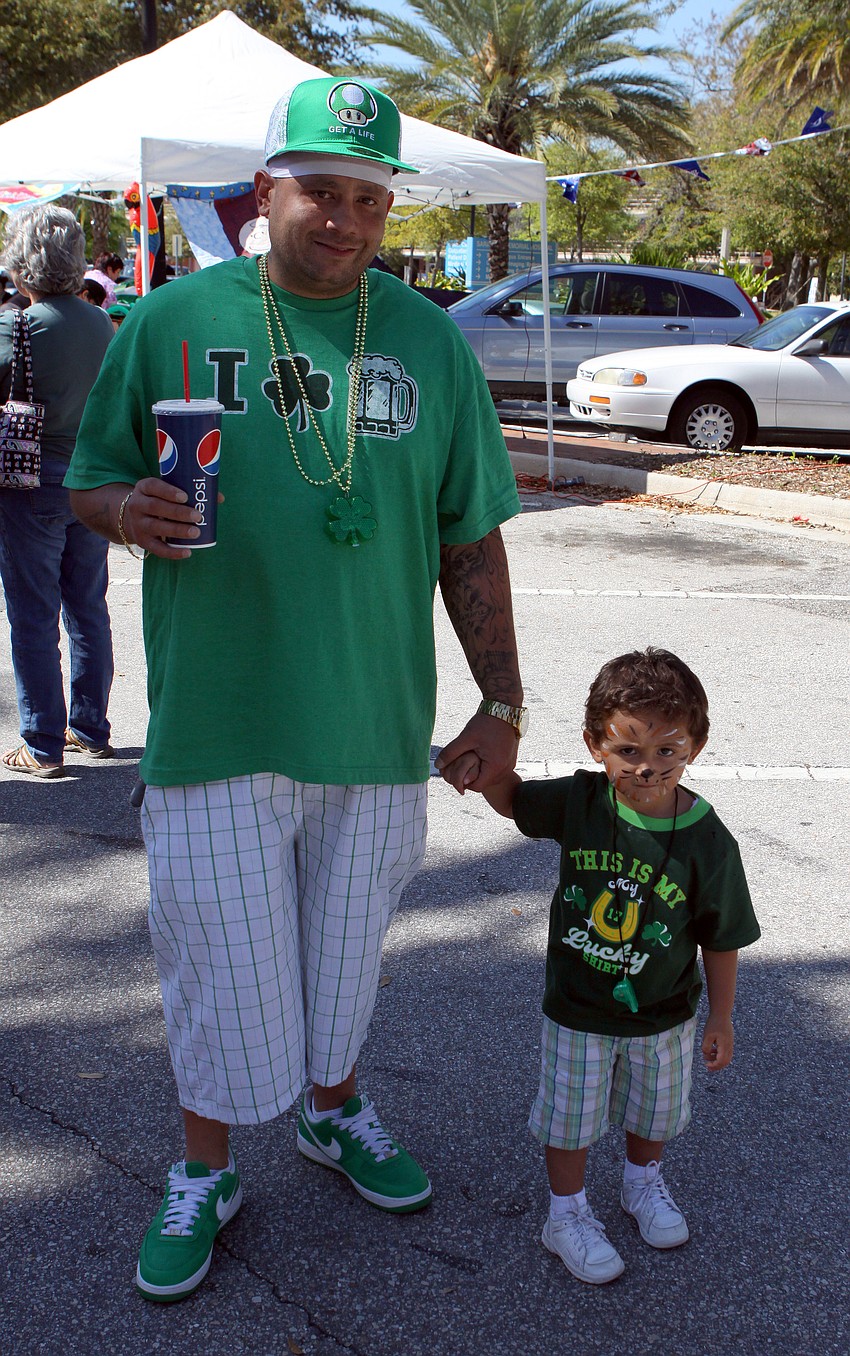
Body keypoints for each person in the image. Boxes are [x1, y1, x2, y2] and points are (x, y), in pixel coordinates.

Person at [65, 76, 526, 1303]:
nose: (345, 218)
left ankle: (333, 1111)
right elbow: (90, 481)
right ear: (262, 190)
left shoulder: (426, 339)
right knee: (220, 958)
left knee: (344, 957)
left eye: (368, 198)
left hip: (373, 726)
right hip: (216, 718)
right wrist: (127, 511)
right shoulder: (167, 319)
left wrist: (503, 703)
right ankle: (203, 1169)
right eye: (320, 189)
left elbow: (470, 538)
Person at [442, 648, 760, 1284]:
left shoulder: (708, 840)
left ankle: (642, 1185)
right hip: (578, 1010)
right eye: (629, 751)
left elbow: (720, 937)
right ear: (595, 745)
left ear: (695, 746)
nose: (647, 768)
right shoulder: (582, 802)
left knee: (653, 1115)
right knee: (570, 1117)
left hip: (664, 1016)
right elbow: (516, 803)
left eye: (667, 751)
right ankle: (566, 1215)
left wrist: (720, 1015)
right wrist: (485, 772)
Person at [0, 205, 115, 778]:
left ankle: (41, 740)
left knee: (34, 614)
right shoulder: (101, 321)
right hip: (90, 483)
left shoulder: (17, 325)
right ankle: (90, 726)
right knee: (88, 607)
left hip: (28, 484)